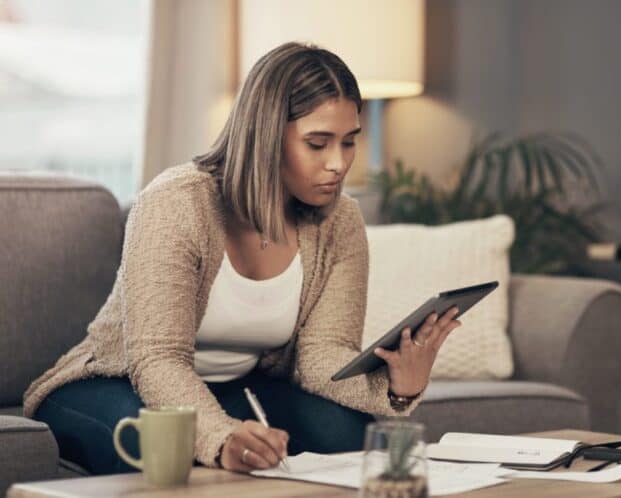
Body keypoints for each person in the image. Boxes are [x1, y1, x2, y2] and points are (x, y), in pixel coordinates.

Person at [23, 42, 462, 475]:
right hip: (113, 383)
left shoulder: (340, 220)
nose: (338, 164)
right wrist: (219, 438)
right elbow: (157, 359)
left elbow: (321, 355)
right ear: (267, 135)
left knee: (350, 438)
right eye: (317, 143)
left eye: (349, 142)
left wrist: (398, 387)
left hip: (236, 387)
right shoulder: (176, 203)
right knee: (160, 450)